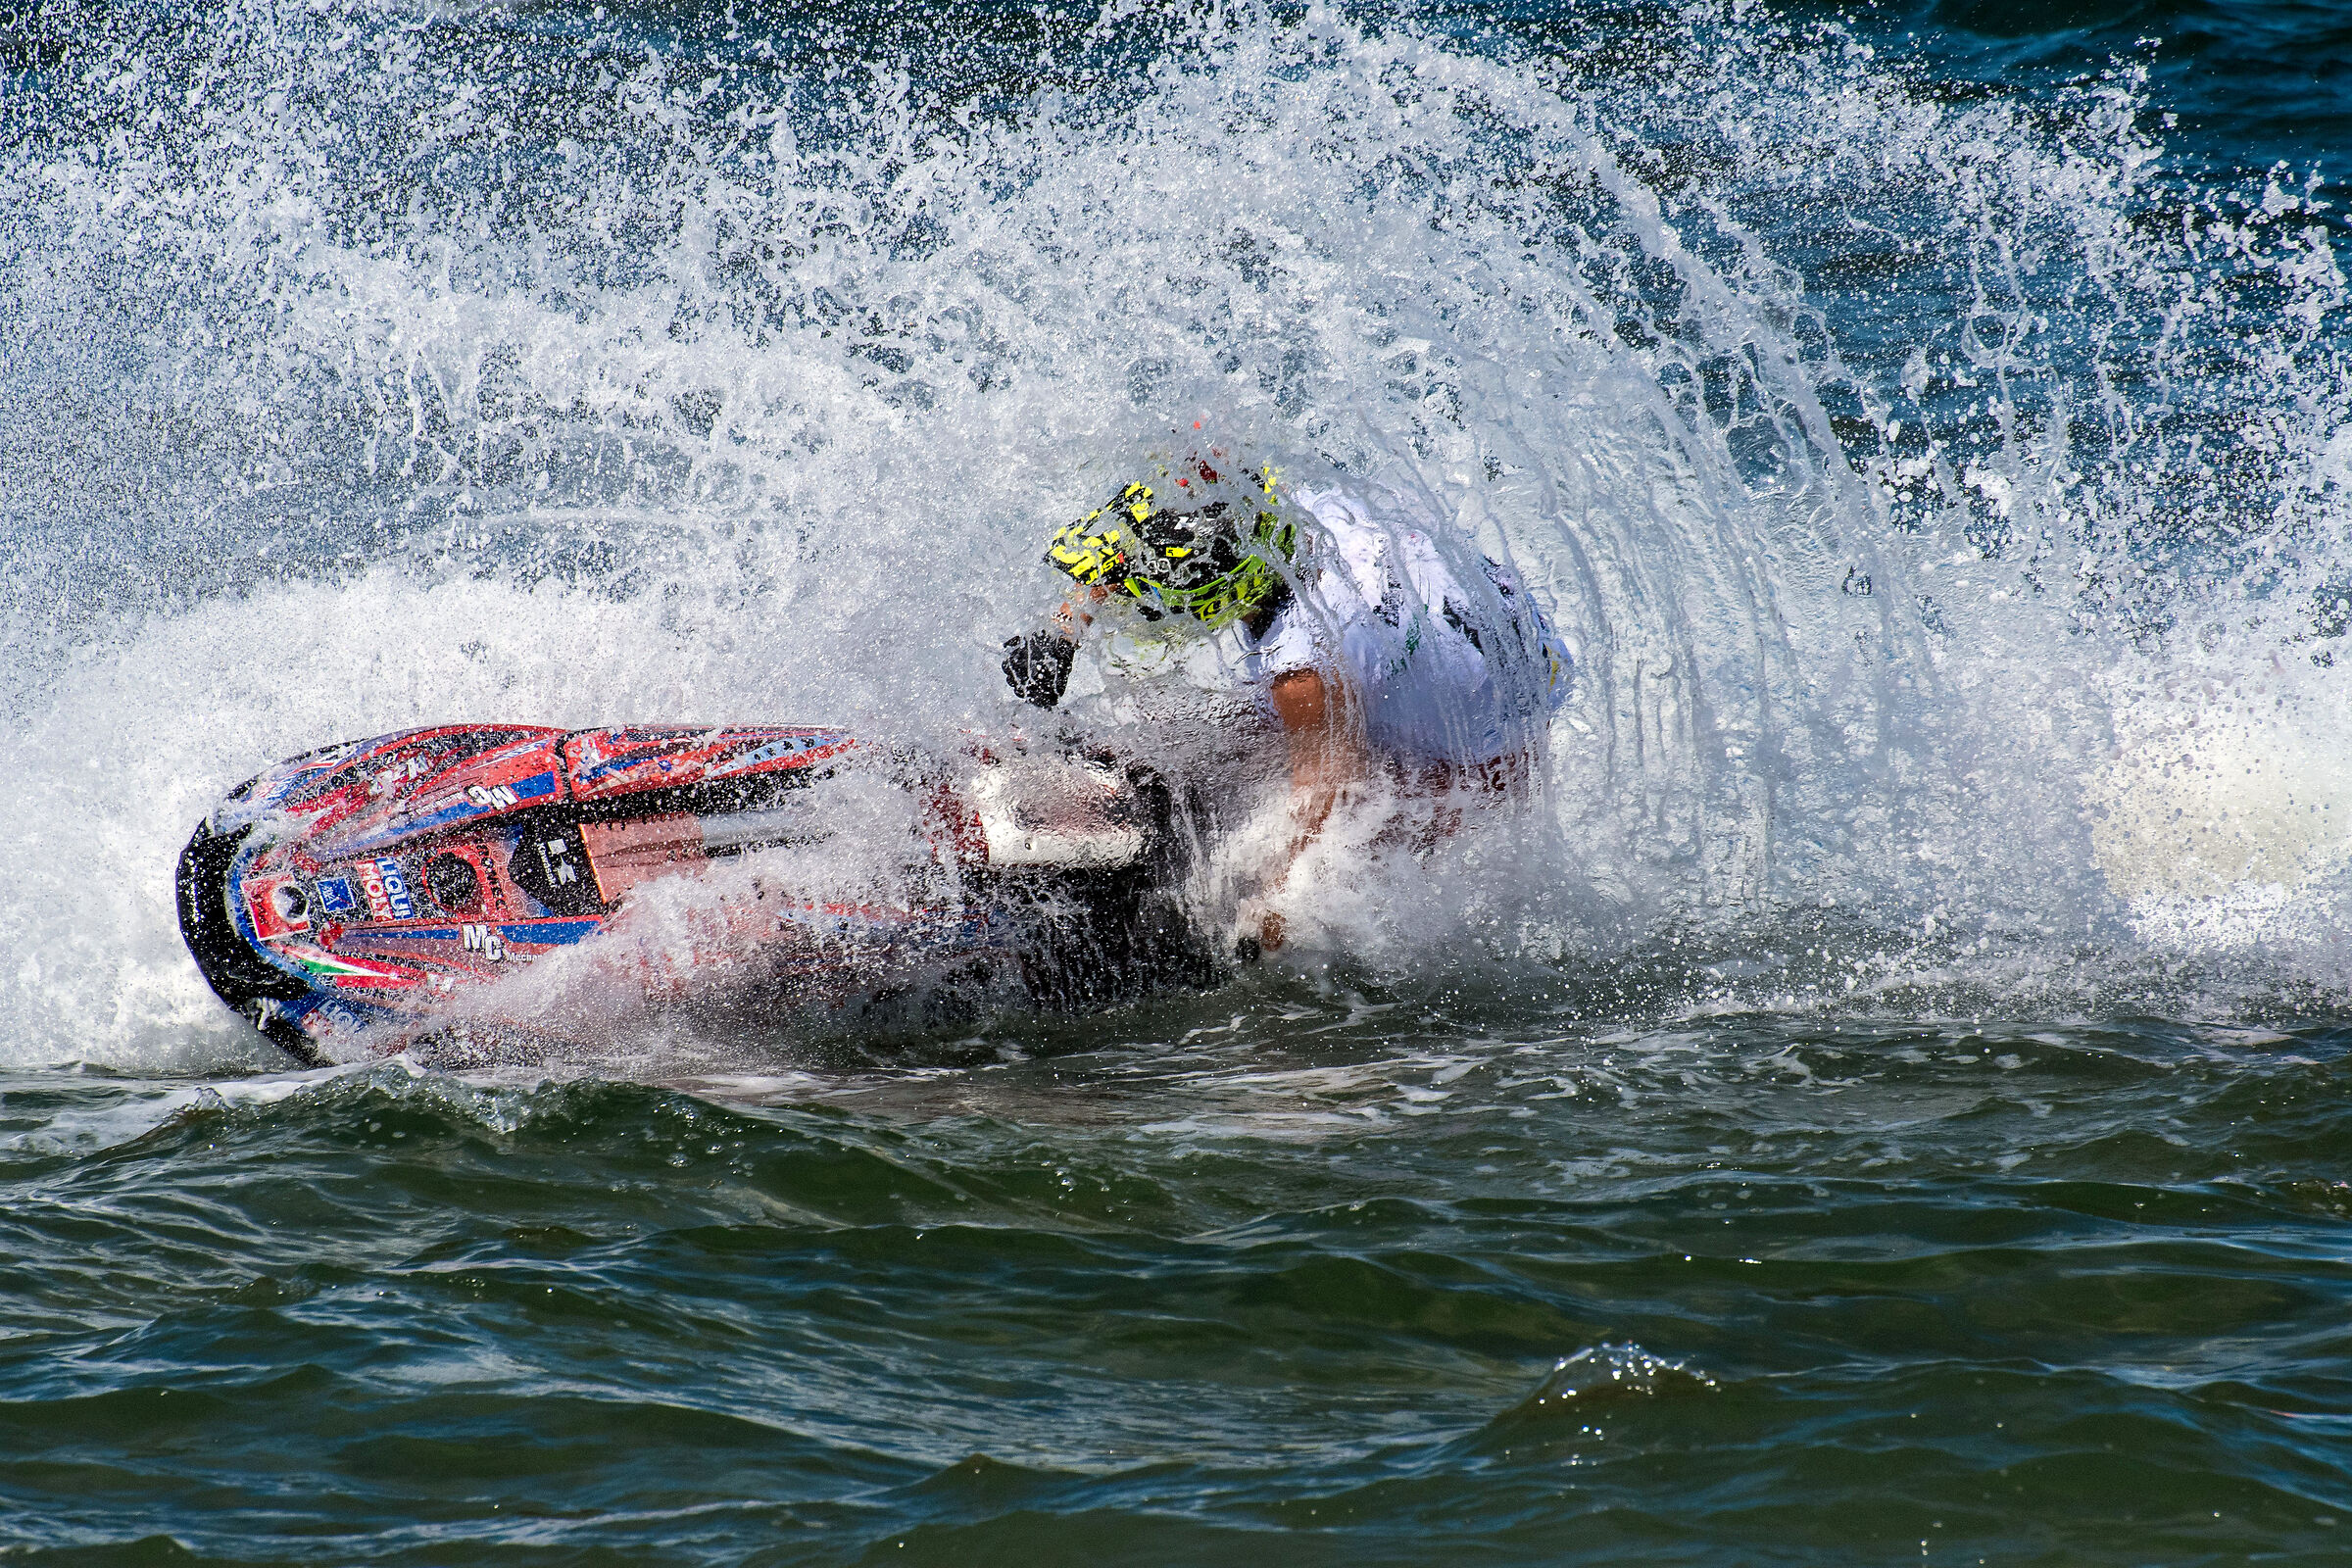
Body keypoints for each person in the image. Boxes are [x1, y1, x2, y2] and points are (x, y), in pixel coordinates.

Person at [1000, 441, 1571, 950]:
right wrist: (1064, 628)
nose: (1136, 601)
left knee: (1324, 850)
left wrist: (1269, 910)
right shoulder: (1285, 511)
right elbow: (1183, 487)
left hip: (1485, 749)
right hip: (1490, 641)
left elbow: (1330, 800)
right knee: (1228, 744)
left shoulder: (1302, 672)